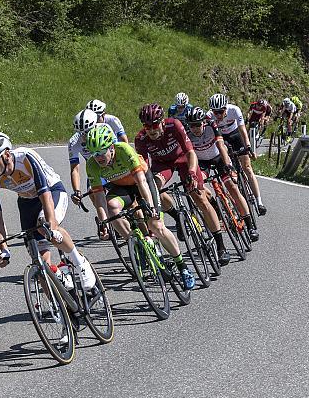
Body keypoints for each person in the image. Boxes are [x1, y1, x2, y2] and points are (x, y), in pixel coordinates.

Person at [0, 131, 96, 290]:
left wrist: (52, 227)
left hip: (52, 191)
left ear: (6, 155)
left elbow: (45, 194)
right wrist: (3, 249)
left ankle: (79, 261)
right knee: (40, 262)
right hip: (27, 201)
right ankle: (61, 306)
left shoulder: (25, 158)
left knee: (44, 227)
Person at [84, 124, 196, 290]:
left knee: (156, 226)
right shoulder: (92, 165)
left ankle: (182, 266)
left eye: (101, 152)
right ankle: (135, 242)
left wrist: (150, 207)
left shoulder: (124, 151)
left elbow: (142, 182)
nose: (98, 157)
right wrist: (104, 222)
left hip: (142, 181)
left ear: (111, 147)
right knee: (111, 206)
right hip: (121, 187)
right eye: (94, 154)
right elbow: (99, 197)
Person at [135, 103, 231, 266]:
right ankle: (176, 216)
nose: (151, 129)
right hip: (163, 165)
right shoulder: (141, 139)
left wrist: (193, 173)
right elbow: (144, 171)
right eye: (147, 126)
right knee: (154, 189)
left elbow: (191, 152)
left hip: (184, 160)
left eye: (155, 125)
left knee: (200, 198)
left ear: (162, 122)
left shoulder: (174, 125)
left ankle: (221, 246)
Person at [184, 107, 259, 242]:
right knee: (198, 188)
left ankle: (250, 226)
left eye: (198, 124)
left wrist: (228, 165)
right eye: (192, 125)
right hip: (202, 162)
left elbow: (220, 145)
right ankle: (213, 203)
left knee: (232, 187)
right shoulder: (187, 133)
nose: (195, 128)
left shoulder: (211, 125)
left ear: (203, 122)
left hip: (218, 157)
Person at [208, 93, 267, 216]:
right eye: (215, 112)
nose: (218, 115)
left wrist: (248, 146)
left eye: (220, 111)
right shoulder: (209, 116)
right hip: (222, 138)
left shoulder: (234, 110)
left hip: (235, 135)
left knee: (247, 168)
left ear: (226, 108)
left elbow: (242, 129)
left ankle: (259, 202)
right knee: (226, 161)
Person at [69, 108, 115, 209]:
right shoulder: (74, 141)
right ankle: (107, 220)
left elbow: (117, 151)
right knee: (92, 193)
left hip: (113, 165)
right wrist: (77, 191)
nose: (84, 135)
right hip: (95, 168)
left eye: (87, 131)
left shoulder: (105, 128)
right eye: (81, 132)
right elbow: (75, 169)